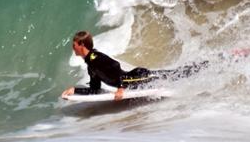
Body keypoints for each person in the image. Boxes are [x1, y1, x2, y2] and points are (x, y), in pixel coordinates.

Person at [61, 30, 207, 101]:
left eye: (74, 45)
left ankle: (209, 64)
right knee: (174, 75)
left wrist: (120, 88)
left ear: (81, 45)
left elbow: (114, 66)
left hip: (136, 77)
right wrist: (75, 90)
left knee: (176, 75)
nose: (73, 48)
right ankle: (203, 65)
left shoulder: (95, 58)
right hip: (132, 80)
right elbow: (95, 90)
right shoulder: (90, 64)